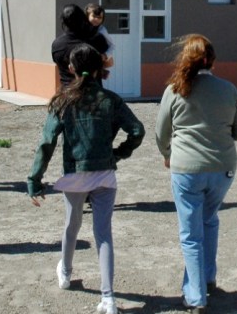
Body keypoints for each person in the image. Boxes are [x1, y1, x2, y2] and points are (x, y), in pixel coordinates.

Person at [27, 44, 145, 314]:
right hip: (105, 174)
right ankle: (108, 298)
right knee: (103, 235)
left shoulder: (62, 100)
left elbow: (47, 142)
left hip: (76, 175)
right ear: (99, 67)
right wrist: (118, 154)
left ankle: (66, 273)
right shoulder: (111, 99)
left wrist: (35, 180)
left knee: (72, 224)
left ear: (70, 68)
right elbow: (137, 130)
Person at [155, 34, 237, 313]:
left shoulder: (174, 89)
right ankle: (207, 277)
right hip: (223, 167)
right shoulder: (229, 89)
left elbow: (161, 134)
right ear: (213, 60)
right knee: (209, 220)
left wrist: (167, 155)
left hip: (185, 169)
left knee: (190, 233)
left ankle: (195, 296)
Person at [51, 3, 111, 88]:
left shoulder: (56, 44)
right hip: (92, 94)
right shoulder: (96, 39)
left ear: (63, 22)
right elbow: (109, 62)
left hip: (67, 93)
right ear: (84, 19)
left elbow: (59, 70)